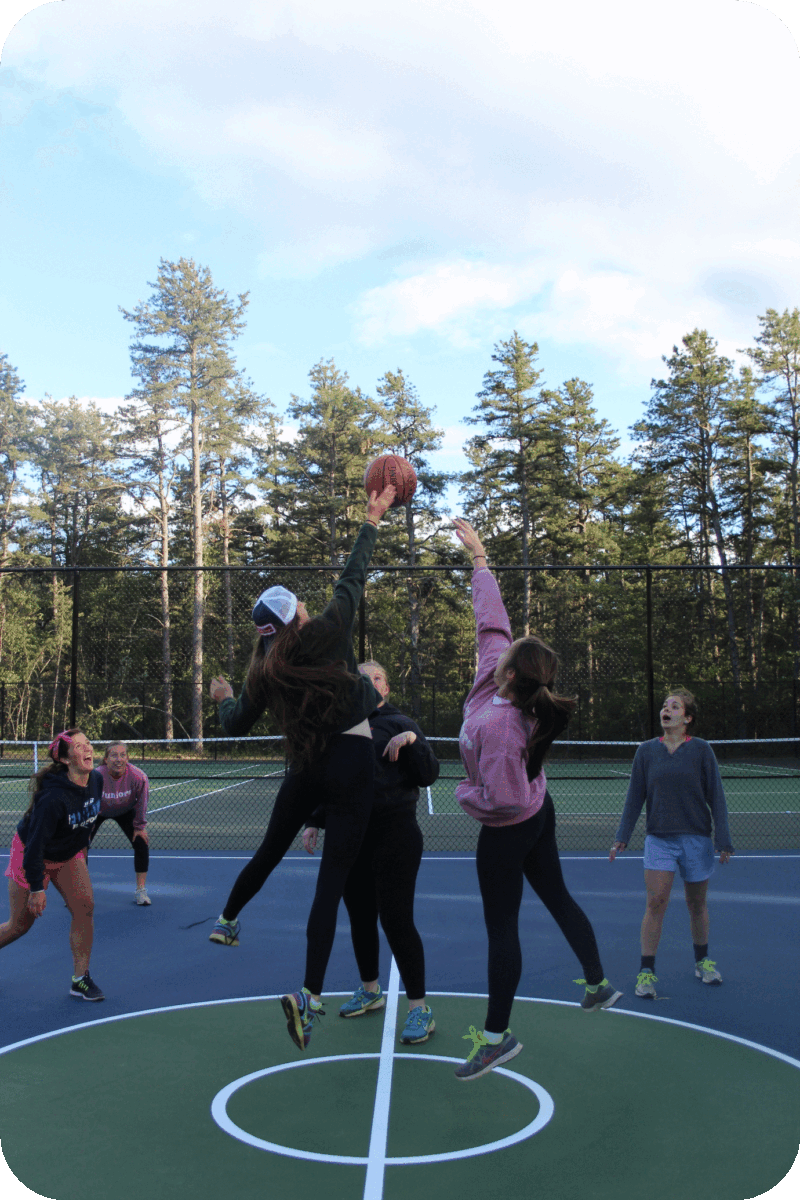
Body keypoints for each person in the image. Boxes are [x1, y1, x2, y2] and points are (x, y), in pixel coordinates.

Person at [208, 483, 396, 1051]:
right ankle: (310, 995)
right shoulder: (327, 632)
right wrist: (372, 518)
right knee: (331, 883)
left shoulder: (265, 669)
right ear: (298, 613)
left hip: (305, 769)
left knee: (269, 849)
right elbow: (353, 579)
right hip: (352, 761)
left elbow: (235, 724)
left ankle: (228, 919)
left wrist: (220, 697)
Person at [451, 518, 621, 1082]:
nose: (497, 643)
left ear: (511, 672)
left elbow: (499, 800)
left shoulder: (501, 730)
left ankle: (496, 1038)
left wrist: (462, 793)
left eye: (506, 649)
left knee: (503, 929)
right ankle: (597, 983)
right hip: (537, 810)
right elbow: (491, 618)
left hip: (509, 825)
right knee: (556, 894)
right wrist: (478, 557)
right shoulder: (496, 679)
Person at [302, 660, 439, 1045]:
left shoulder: (402, 723)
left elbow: (429, 774)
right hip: (350, 837)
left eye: (375, 677)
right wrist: (314, 819)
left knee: (397, 921)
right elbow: (332, 782)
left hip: (395, 833)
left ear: (386, 688)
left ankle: (419, 1010)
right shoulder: (340, 727)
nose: (368, 682)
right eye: (361, 678)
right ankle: (371, 990)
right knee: (360, 917)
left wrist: (412, 745)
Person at [610, 688, 734, 999]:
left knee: (696, 905)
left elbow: (716, 796)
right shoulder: (646, 751)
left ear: (687, 718)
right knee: (656, 903)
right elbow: (634, 797)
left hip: (696, 839)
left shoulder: (702, 750)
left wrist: (724, 839)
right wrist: (622, 836)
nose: (667, 709)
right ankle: (646, 972)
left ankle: (702, 961)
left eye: (674, 706)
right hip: (659, 840)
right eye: (665, 705)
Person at [0, 729, 105, 1000]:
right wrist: (37, 888)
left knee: (85, 907)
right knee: (19, 926)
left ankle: (80, 979)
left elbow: (85, 826)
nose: (87, 749)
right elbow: (34, 847)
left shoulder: (95, 780)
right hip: (32, 855)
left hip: (67, 854)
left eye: (88, 744)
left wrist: (82, 860)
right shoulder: (52, 799)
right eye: (79, 747)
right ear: (67, 760)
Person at [89, 742, 151, 905]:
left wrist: (139, 827)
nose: (119, 759)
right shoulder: (95, 776)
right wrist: (84, 828)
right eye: (114, 755)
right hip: (98, 812)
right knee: (79, 845)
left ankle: (141, 891)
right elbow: (87, 802)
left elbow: (142, 803)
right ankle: (77, 891)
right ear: (106, 759)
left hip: (125, 811)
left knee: (141, 842)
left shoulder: (139, 777)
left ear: (127, 758)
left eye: (123, 755)